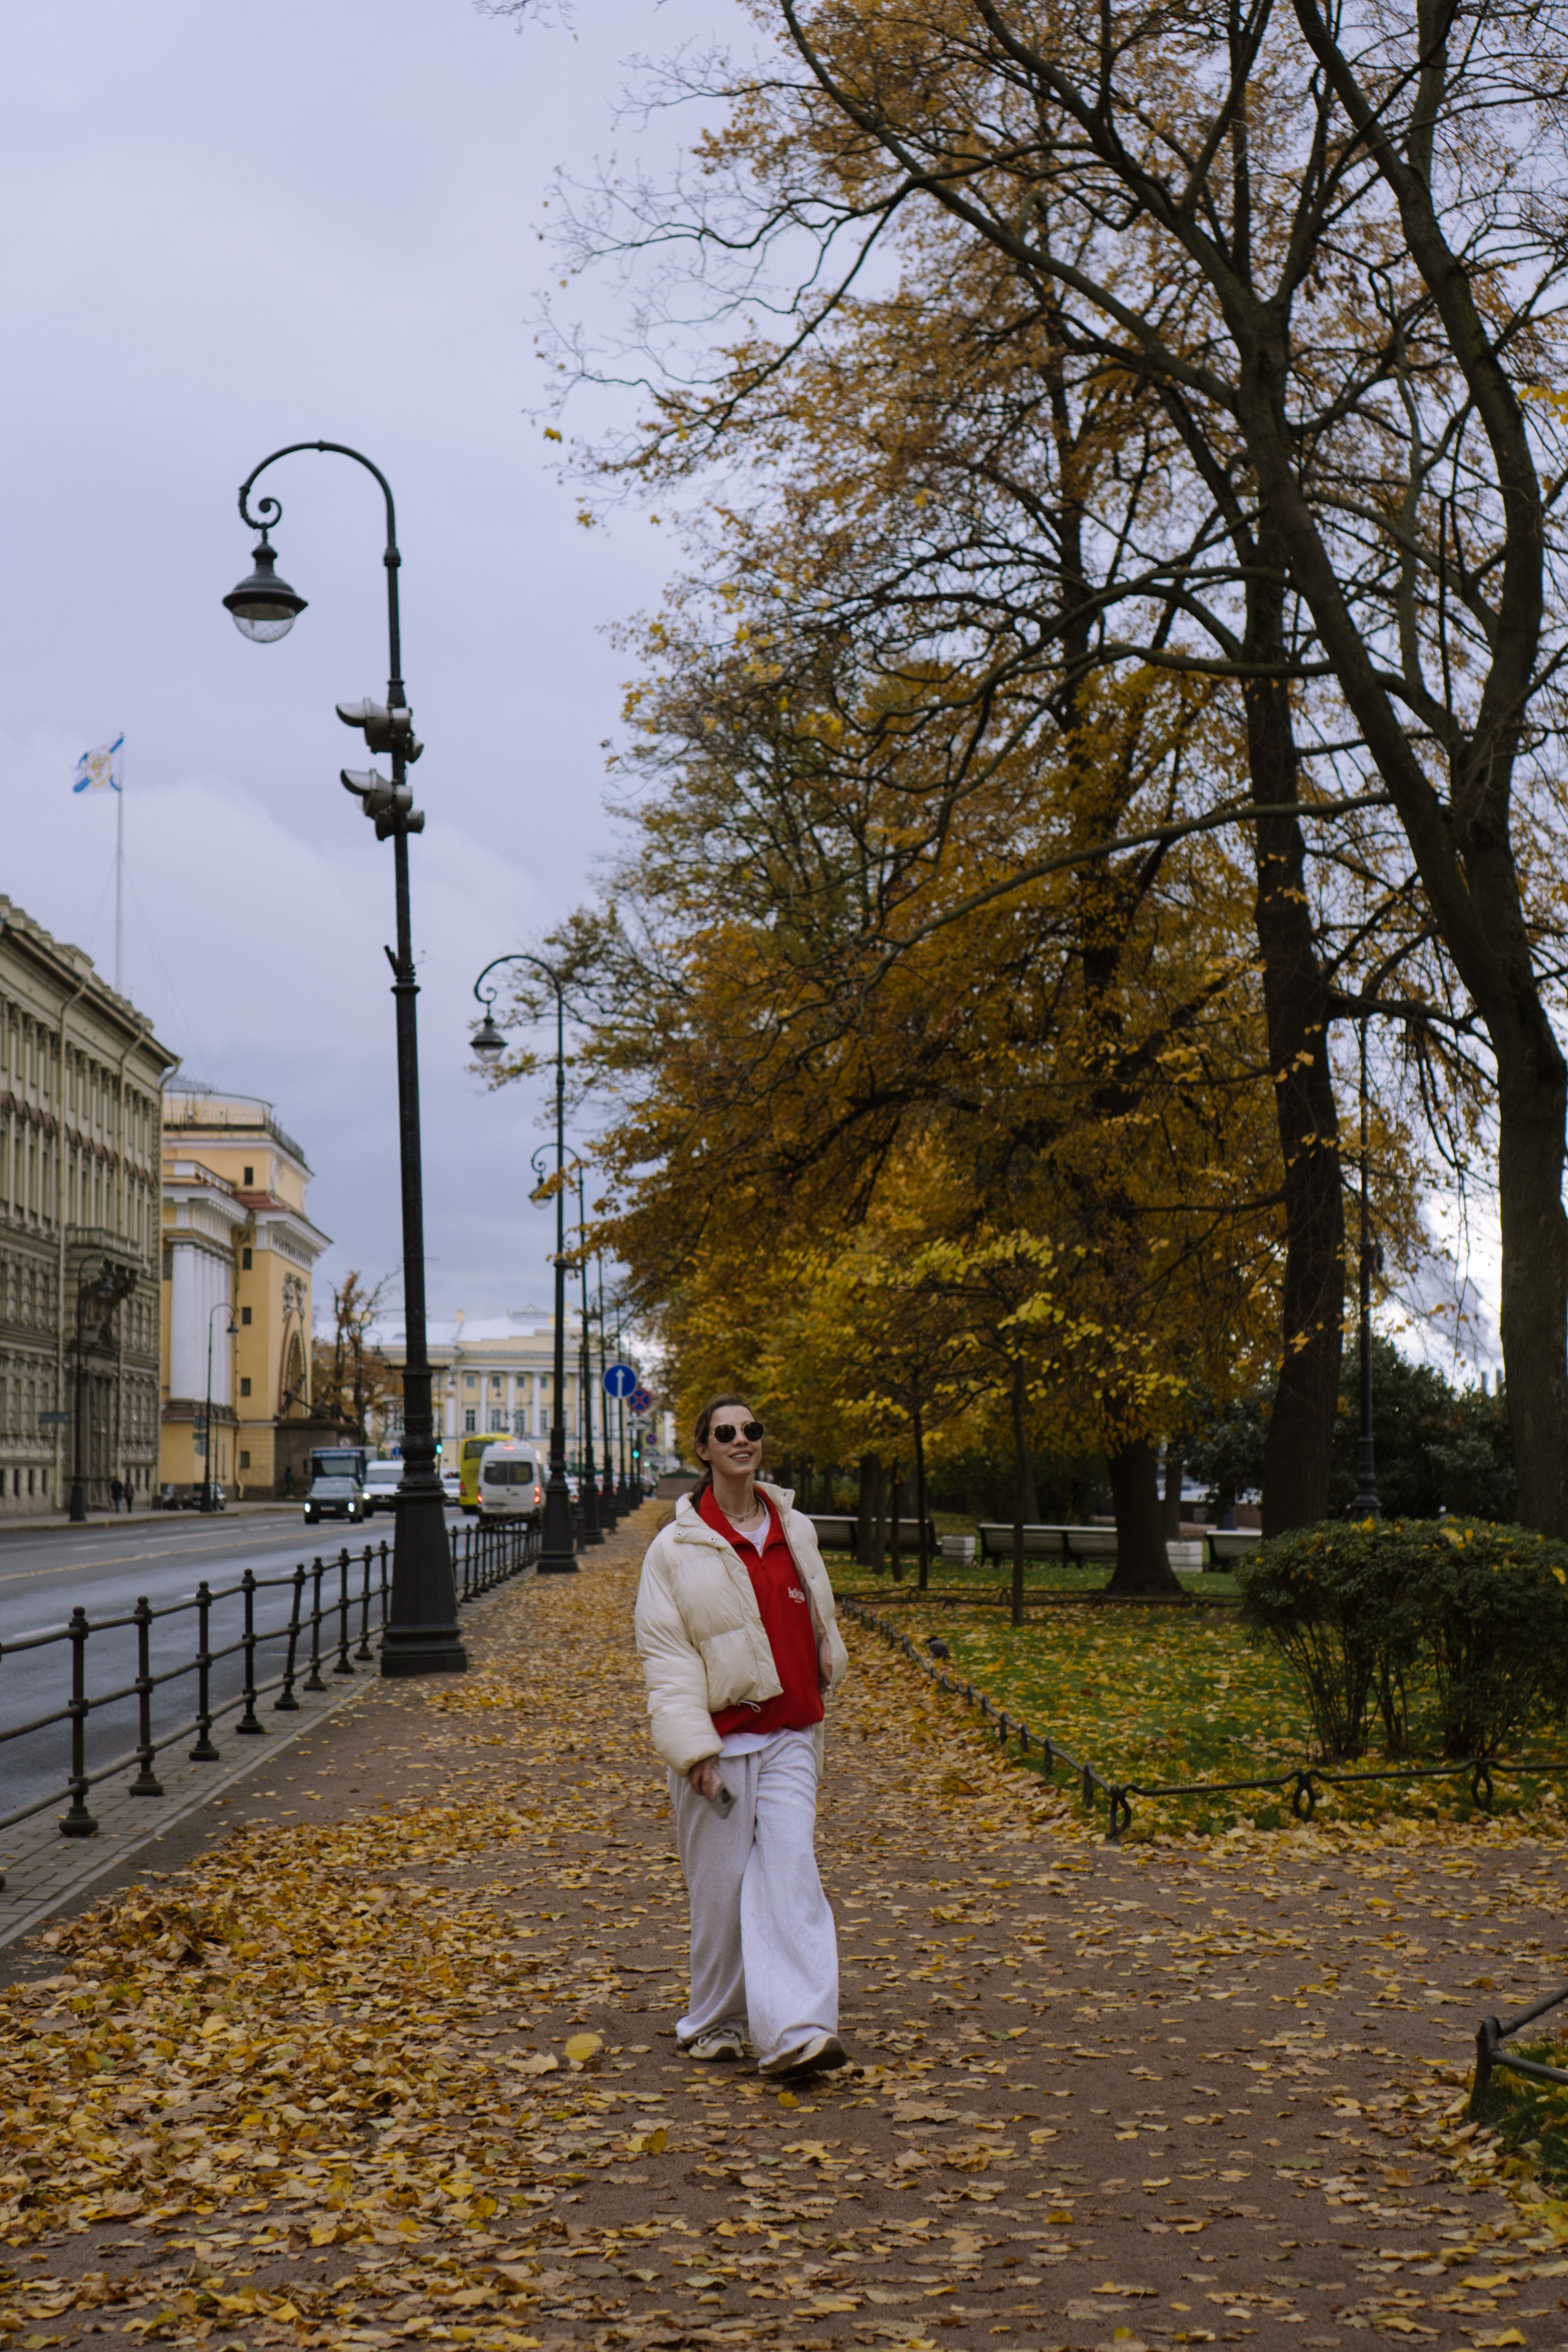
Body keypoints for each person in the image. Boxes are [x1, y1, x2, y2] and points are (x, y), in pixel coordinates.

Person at [635, 1393, 850, 2078]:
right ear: (703, 1449)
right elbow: (667, 1658)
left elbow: (818, 1611)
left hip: (791, 1732)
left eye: (750, 1430)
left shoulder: (795, 1527)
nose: (741, 1440)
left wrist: (828, 1660)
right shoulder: (673, 1549)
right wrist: (693, 1751)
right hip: (721, 1742)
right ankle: (715, 2022)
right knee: (721, 1891)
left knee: (792, 1874)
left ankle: (798, 2031)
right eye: (725, 1432)